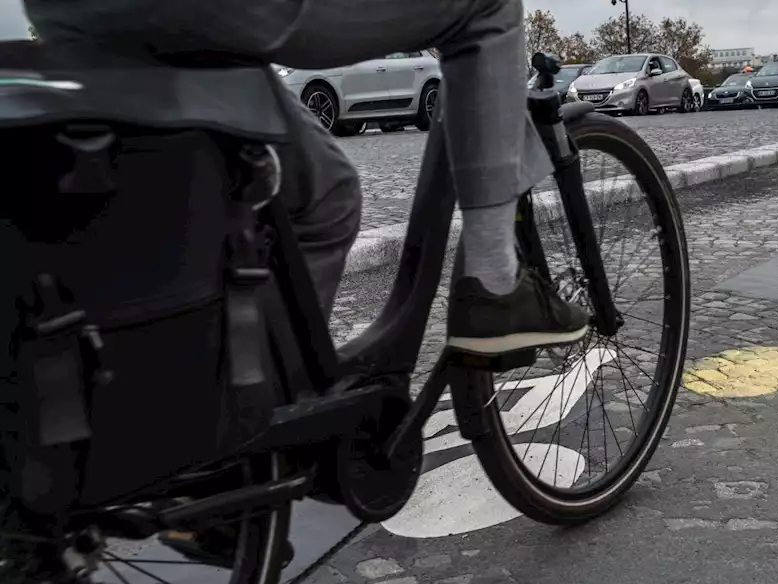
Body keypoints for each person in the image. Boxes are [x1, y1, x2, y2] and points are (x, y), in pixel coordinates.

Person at [23, 0, 590, 357]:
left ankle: (241, 419)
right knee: (487, 6)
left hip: (69, 12)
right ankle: (493, 283)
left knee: (325, 194)